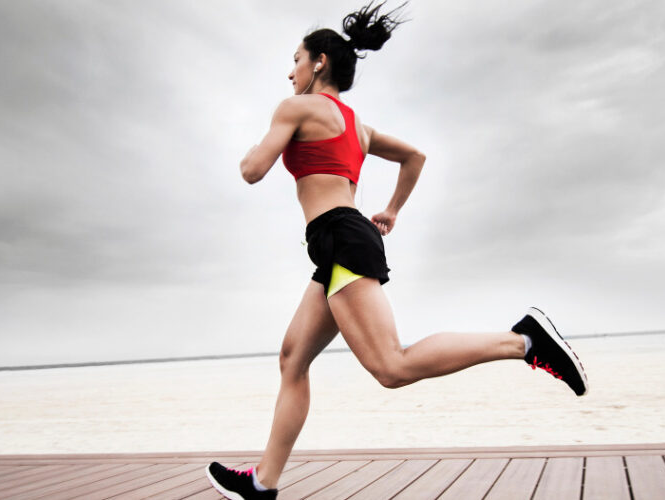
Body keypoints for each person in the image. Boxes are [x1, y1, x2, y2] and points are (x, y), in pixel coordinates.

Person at [205, 3, 587, 498]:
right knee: (292, 359)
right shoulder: (358, 127)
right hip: (339, 241)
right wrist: (392, 211)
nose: (290, 71)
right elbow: (415, 156)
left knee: (392, 366)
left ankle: (523, 342)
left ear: (319, 62)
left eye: (295, 59)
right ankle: (263, 482)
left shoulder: (295, 107)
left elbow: (252, 170)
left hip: (340, 238)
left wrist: (249, 154)